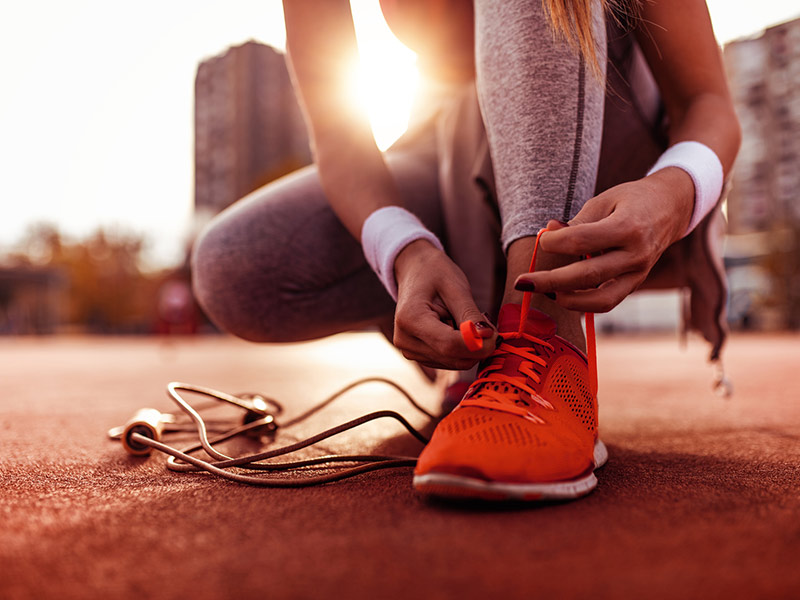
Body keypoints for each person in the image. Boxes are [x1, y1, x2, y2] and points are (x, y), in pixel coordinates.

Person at [192, 0, 740, 501]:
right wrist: (405, 250)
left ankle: (546, 343)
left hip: (625, 154)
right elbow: (338, 136)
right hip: (454, 147)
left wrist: (673, 194)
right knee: (237, 266)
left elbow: (708, 100)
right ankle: (484, 322)